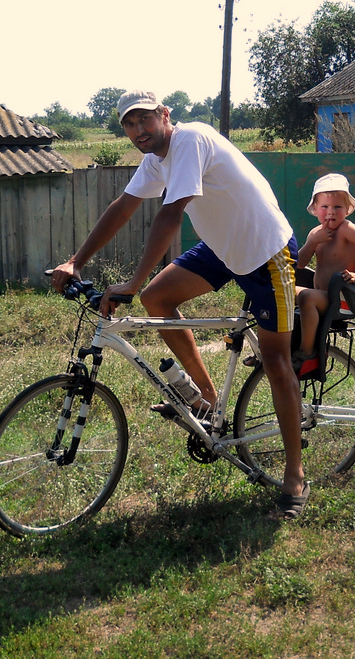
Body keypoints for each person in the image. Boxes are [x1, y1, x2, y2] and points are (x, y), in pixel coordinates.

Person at [49, 90, 309, 520]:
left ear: (164, 115)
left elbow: (170, 215)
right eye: (129, 124)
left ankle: (295, 475)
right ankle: (206, 398)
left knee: (276, 362)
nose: (138, 130)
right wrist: (76, 261)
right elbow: (123, 207)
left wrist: (132, 281)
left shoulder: (190, 139)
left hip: (266, 250)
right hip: (222, 248)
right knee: (157, 298)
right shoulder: (156, 160)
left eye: (145, 120)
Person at [293, 173, 355, 375]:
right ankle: (273, 348)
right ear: (315, 209)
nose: (330, 212)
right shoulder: (315, 233)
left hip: (341, 300)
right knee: (279, 291)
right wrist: (312, 242)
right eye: (324, 207)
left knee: (306, 297)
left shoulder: (346, 229)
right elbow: (301, 263)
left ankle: (306, 352)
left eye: (337, 207)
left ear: (347, 209)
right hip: (322, 296)